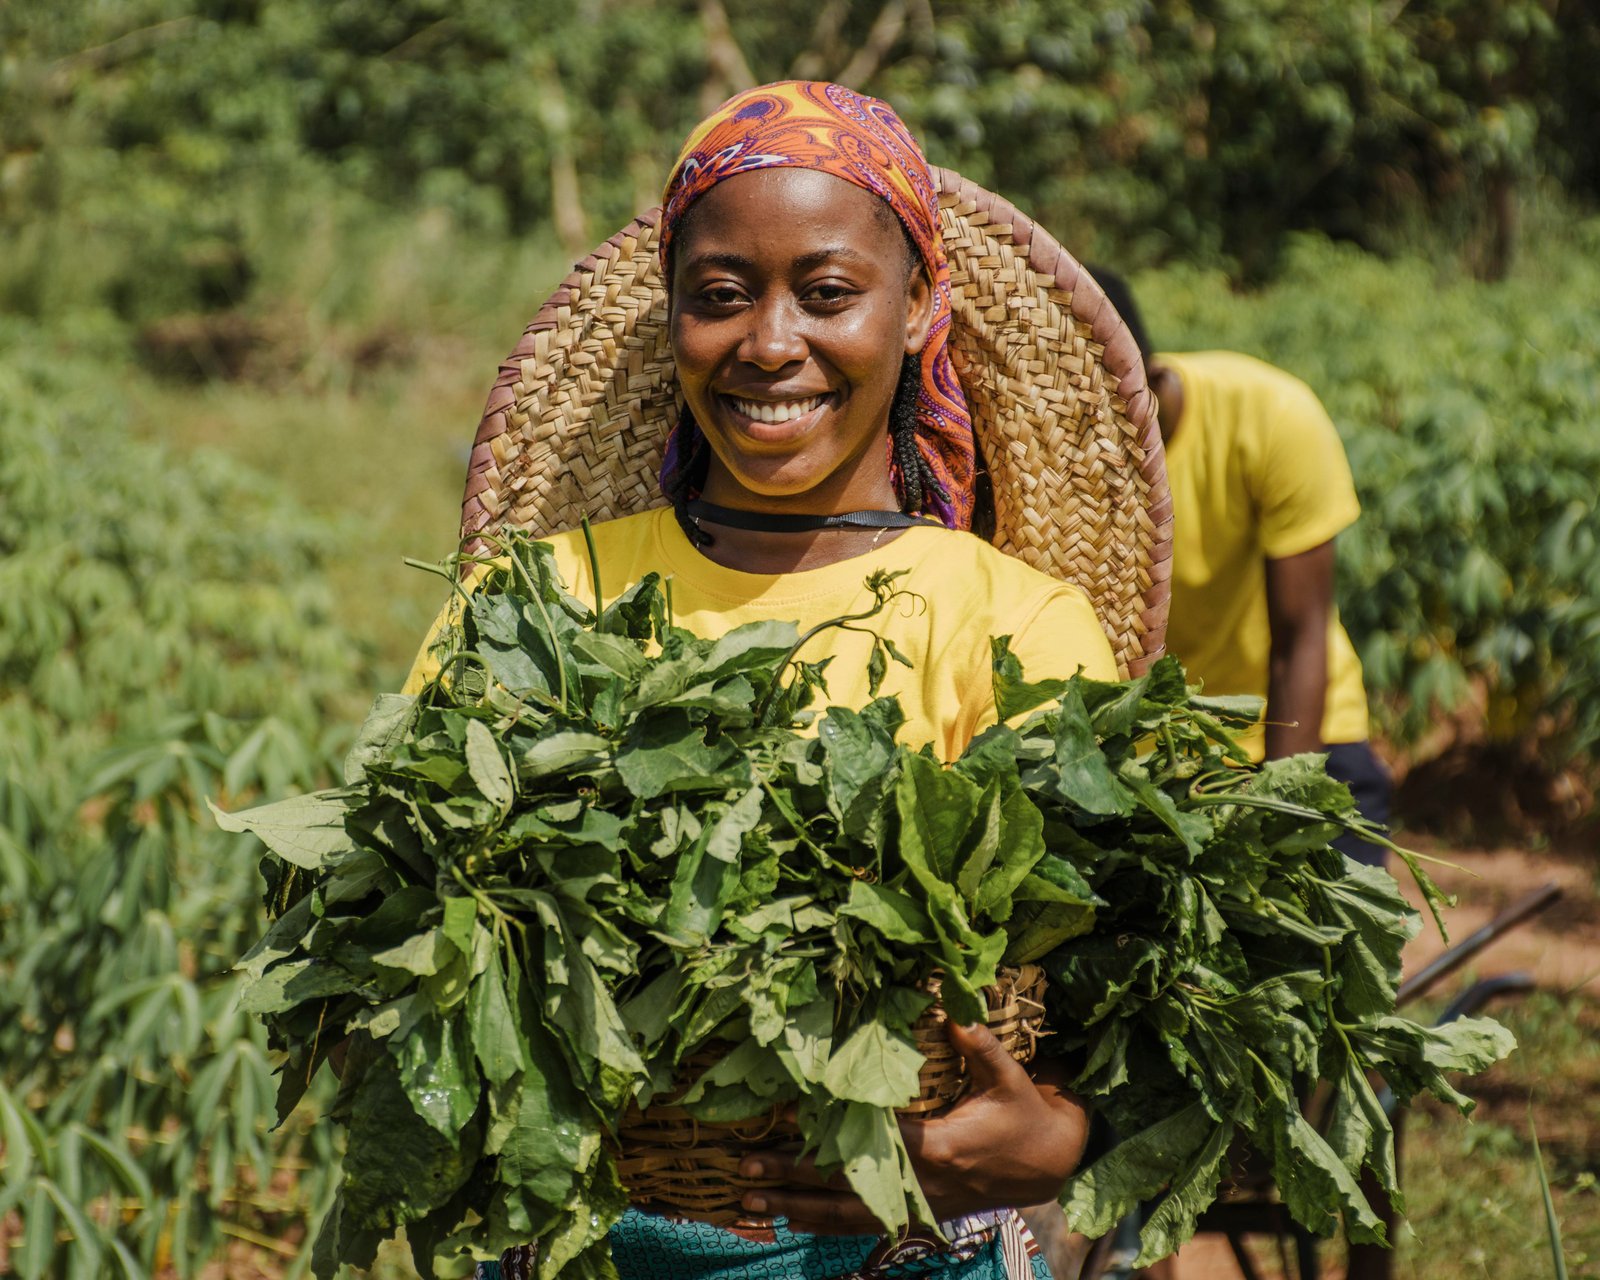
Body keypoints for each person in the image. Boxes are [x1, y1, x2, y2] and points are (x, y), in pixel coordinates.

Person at [402, 82, 1161, 1279]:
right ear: (672, 319)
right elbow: (410, 903)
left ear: (918, 309)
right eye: (719, 296)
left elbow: (1116, 986)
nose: (768, 343)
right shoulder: (534, 607)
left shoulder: (1012, 623)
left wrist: (1064, 1138)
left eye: (826, 292)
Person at [1089, 270, 1392, 865]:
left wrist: (1280, 818)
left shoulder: (1270, 416)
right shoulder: (1068, 453)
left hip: (1303, 731)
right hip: (1172, 757)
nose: (1100, 436)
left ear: (1151, 378)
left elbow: (1300, 635)